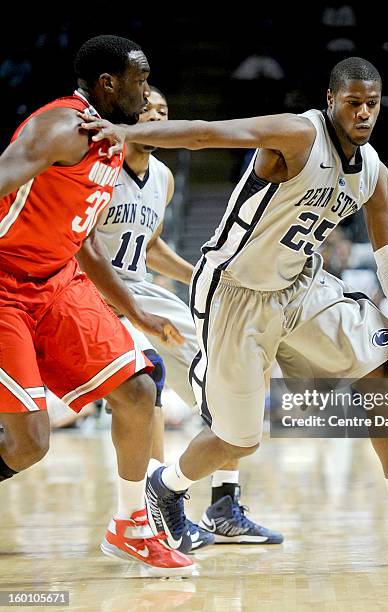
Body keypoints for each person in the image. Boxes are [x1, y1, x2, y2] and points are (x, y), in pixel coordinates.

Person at [80, 56, 388, 564]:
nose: (362, 114)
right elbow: (205, 133)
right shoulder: (297, 135)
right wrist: (117, 129)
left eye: (371, 105)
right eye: (352, 102)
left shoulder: (374, 173)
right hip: (234, 291)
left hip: (300, 285)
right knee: (237, 440)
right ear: (331, 100)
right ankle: (167, 485)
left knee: (377, 368)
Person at [0, 35, 193, 577]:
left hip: (58, 279)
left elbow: (83, 241)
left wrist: (136, 311)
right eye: (141, 79)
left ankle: (131, 527)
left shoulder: (112, 139)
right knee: (29, 444)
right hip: (5, 284)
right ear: (109, 84)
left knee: (137, 389)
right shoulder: (61, 127)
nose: (148, 89)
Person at [78, 86, 281, 550]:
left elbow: (149, 246)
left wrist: (200, 276)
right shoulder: (99, 171)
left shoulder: (164, 178)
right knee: (149, 372)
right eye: (147, 109)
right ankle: (151, 512)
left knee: (225, 372)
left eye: (165, 112)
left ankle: (224, 506)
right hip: (94, 292)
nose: (156, 117)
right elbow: (81, 247)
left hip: (143, 287)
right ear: (127, 116)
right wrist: (132, 307)